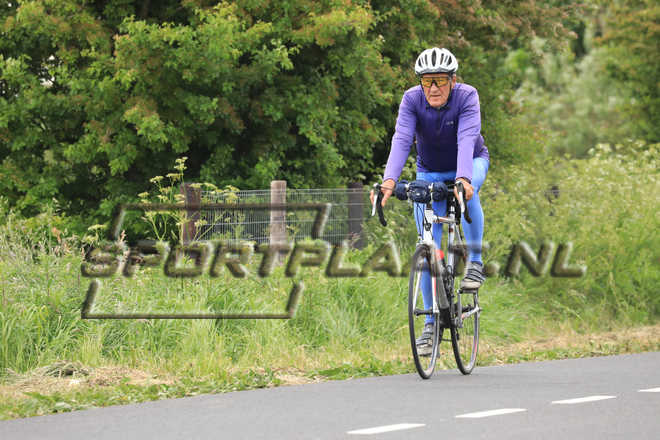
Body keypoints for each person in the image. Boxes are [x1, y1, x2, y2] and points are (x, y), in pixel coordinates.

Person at [371, 47, 490, 355]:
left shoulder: (467, 97)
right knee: (426, 247)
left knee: (466, 191)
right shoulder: (411, 100)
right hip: (429, 171)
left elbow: (467, 139)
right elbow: (401, 139)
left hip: (470, 162)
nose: (434, 88)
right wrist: (389, 181)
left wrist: (463, 178)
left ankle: (475, 262)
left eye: (440, 80)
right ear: (420, 83)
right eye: (427, 81)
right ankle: (430, 323)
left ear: (453, 80)